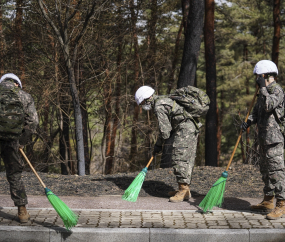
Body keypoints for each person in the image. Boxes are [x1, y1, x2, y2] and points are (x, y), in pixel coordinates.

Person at [135, 86, 199, 202]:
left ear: (146, 98)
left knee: (179, 158)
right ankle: (185, 189)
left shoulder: (159, 106)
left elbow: (165, 131)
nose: (143, 106)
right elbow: (165, 128)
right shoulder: (162, 100)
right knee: (185, 159)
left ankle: (183, 189)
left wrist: (158, 145)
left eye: (142, 103)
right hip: (189, 127)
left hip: (185, 129)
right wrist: (159, 144)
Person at [241, 60, 285, 220]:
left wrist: (263, 89)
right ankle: (268, 200)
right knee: (265, 171)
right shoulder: (263, 91)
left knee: (276, 172)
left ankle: (282, 204)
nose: (256, 80)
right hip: (263, 138)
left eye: (258, 77)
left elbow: (268, 106)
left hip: (274, 139)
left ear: (265, 75)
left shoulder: (277, 90)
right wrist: (249, 121)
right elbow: (258, 111)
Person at [0, 73, 39, 223]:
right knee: (14, 175)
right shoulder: (24, 96)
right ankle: (22, 211)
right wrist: (21, 141)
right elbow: (33, 122)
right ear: (17, 84)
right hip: (12, 141)